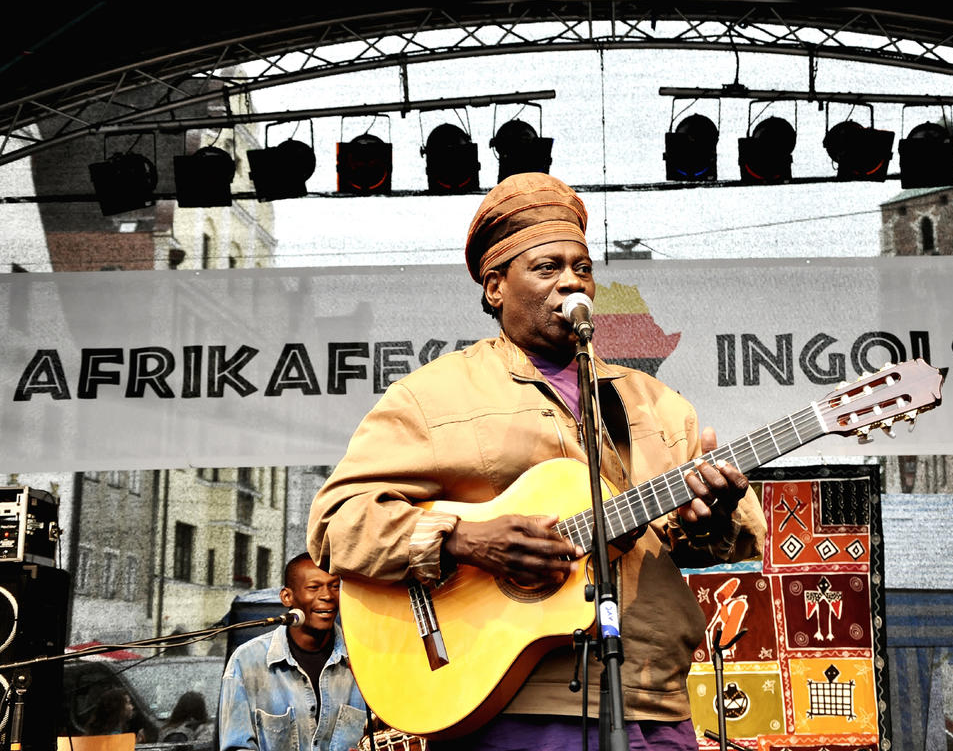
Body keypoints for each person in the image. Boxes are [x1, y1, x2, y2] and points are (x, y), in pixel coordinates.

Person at [307, 172, 767, 751]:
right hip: (509, 704)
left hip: (653, 699)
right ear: (495, 286)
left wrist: (716, 515)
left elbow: (738, 538)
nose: (571, 281)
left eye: (582, 267)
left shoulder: (656, 403)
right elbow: (335, 522)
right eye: (547, 268)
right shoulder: (433, 395)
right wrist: (462, 541)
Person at [218, 553, 367, 751]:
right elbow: (236, 747)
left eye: (335, 586)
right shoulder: (246, 661)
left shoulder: (364, 659)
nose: (328, 596)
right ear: (287, 597)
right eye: (314, 587)